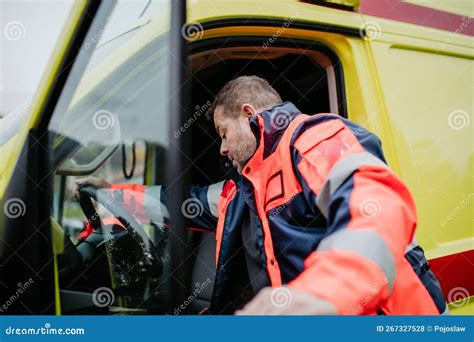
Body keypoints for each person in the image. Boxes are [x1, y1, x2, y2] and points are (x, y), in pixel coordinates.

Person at [74, 76, 447, 315]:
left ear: (249, 114)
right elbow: (179, 203)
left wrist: (322, 295)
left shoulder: (314, 138)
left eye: (223, 133)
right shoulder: (241, 187)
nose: (220, 149)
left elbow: (375, 207)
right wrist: (114, 194)